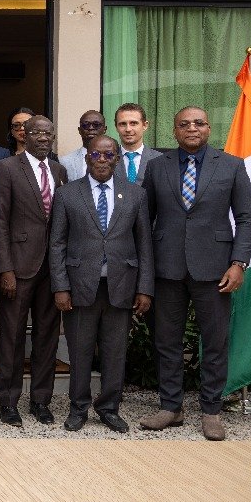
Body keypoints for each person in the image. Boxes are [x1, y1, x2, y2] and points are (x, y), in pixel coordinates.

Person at [140, 106, 251, 441]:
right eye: (184, 124)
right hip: (167, 268)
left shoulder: (231, 165)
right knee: (167, 341)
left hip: (216, 268)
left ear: (208, 128)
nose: (191, 128)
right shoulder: (156, 166)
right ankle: (170, 407)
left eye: (198, 123)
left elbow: (246, 218)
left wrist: (239, 263)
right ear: (174, 131)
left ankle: (211, 411)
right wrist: (145, 272)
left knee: (216, 342)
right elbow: (145, 221)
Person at [49, 135, 154, 433]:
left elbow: (144, 244)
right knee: (79, 352)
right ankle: (78, 408)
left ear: (117, 159)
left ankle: (109, 408)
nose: (102, 160)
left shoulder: (135, 195)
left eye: (109, 155)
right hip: (80, 286)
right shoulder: (68, 194)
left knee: (115, 352)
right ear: (87, 158)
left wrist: (144, 288)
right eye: (96, 155)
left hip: (121, 286)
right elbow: (57, 244)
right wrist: (60, 286)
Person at [0, 114, 67, 427]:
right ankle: (8, 402)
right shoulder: (7, 168)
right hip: (18, 268)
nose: (43, 138)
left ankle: (40, 400)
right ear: (24, 135)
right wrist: (5, 269)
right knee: (11, 337)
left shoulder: (60, 171)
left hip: (53, 269)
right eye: (36, 132)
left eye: (48, 133)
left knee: (47, 337)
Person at [113, 102, 161, 186]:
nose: (128, 129)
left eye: (133, 123)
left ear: (145, 125)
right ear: (116, 127)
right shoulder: (108, 159)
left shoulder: (160, 159)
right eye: (122, 124)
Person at [59, 110, 108, 181]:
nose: (91, 128)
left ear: (104, 129)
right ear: (79, 130)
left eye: (96, 125)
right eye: (86, 125)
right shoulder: (65, 162)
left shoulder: (114, 159)